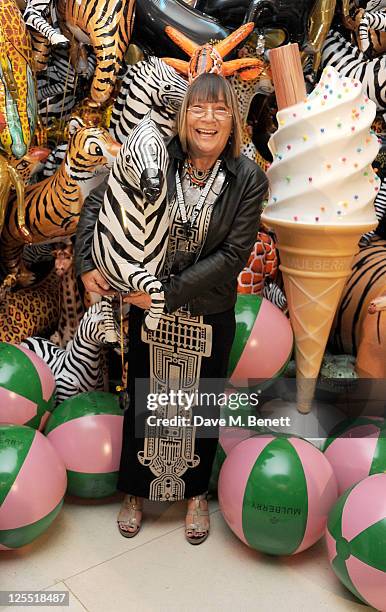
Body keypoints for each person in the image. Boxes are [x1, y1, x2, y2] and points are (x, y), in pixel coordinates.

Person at [74, 73, 268, 544]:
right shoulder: (155, 151)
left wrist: (164, 293)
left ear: (232, 120)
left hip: (206, 306)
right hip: (146, 304)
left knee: (200, 405)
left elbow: (231, 257)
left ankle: (196, 495)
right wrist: (86, 263)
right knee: (143, 397)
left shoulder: (248, 178)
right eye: (198, 108)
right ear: (183, 116)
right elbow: (97, 199)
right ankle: (135, 492)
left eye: (220, 109)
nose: (208, 118)